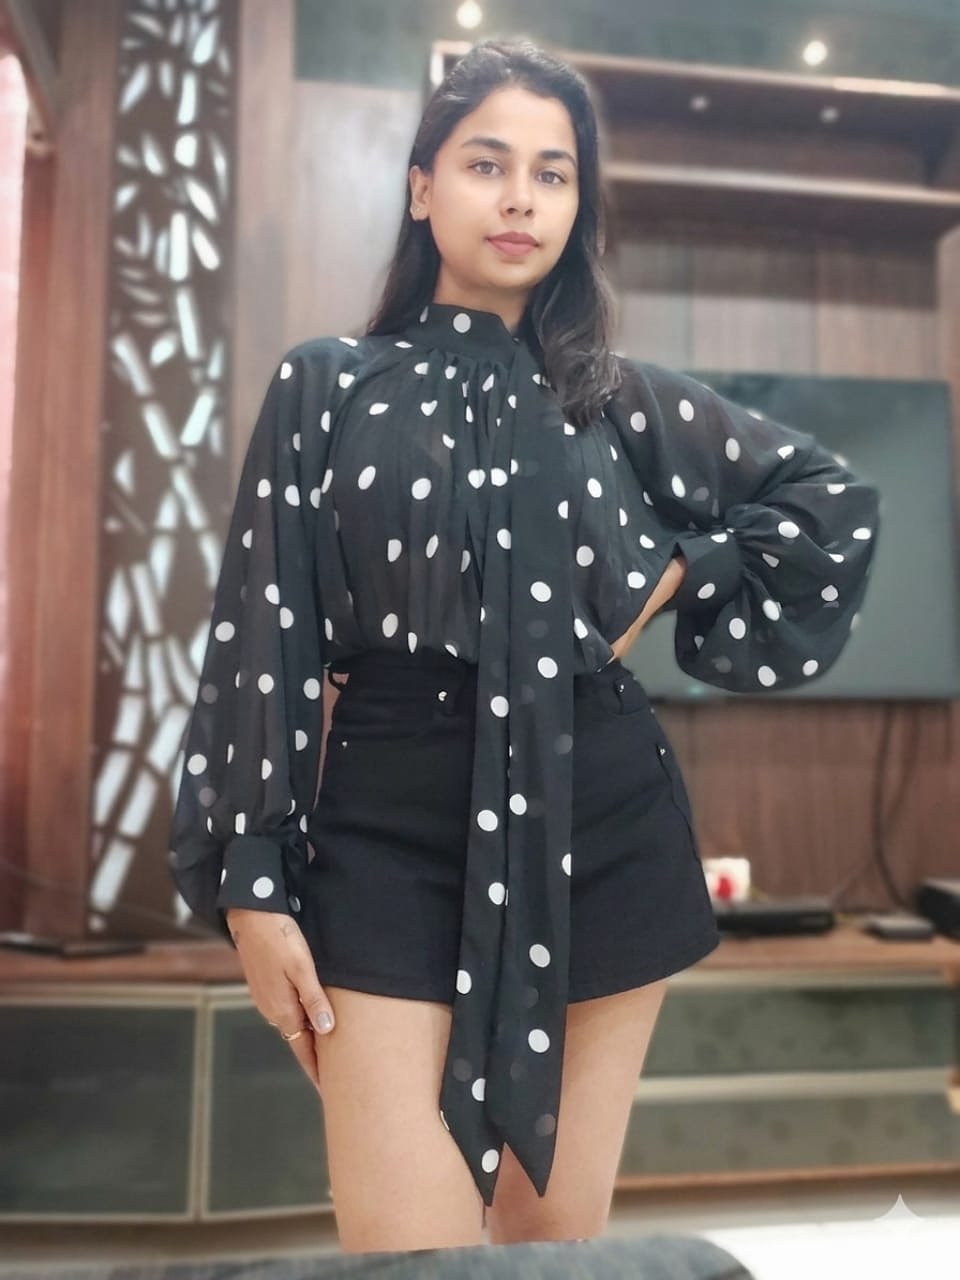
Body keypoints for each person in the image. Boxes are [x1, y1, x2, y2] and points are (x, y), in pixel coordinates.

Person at [167, 37, 880, 1254]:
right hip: (385, 833)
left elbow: (830, 499)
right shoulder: (327, 387)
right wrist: (252, 882)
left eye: (553, 174)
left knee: (554, 1248)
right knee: (413, 1252)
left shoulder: (619, 399)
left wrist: (685, 573)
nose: (520, 198)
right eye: (487, 163)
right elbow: (261, 636)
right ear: (421, 185)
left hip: (600, 819)